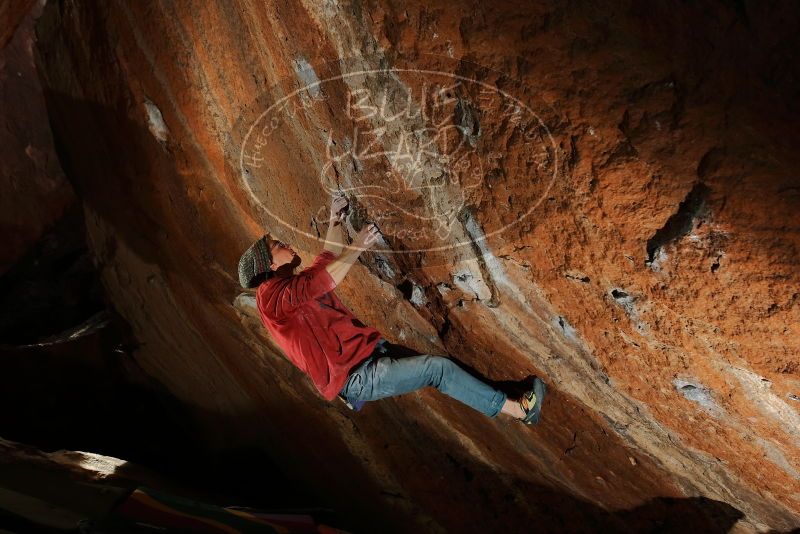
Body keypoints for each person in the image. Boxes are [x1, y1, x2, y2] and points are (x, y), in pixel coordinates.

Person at [238, 193, 545, 423]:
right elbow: (327, 280)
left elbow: (327, 261)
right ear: (268, 265)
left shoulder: (289, 287)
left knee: (441, 367)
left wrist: (335, 220)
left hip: (368, 355)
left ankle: (511, 398)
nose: (286, 245)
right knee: (437, 370)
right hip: (356, 376)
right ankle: (520, 410)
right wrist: (359, 244)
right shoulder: (270, 298)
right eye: (278, 246)